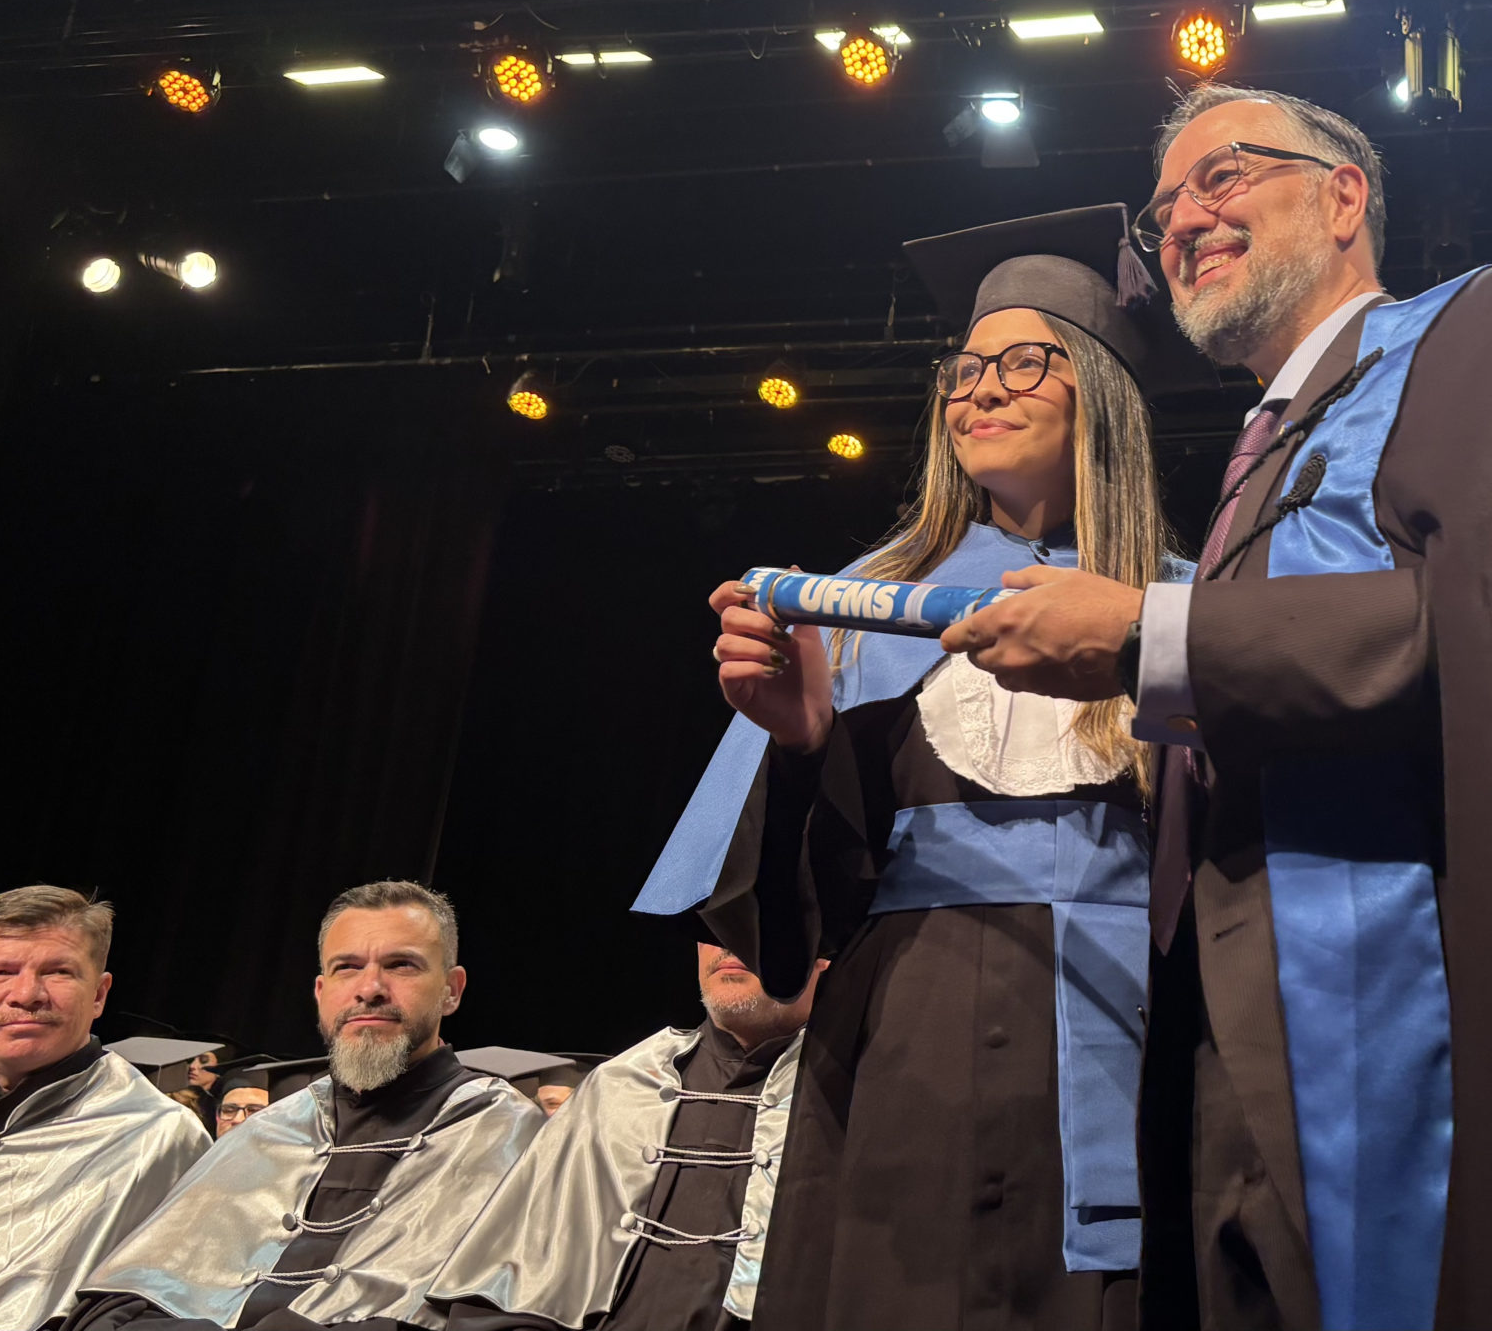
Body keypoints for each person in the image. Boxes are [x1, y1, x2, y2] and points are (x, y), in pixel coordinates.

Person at [935, 81, 1492, 1329]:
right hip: (1231, 1050)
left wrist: (1149, 635)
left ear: (1343, 198)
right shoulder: (1255, 460)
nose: (1182, 221)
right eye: (1163, 208)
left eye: (1222, 176)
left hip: (1413, 1030)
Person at [632, 203, 1203, 1331]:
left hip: (1123, 1034)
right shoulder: (858, 608)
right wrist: (801, 746)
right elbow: (785, 937)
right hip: (905, 1044)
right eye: (964, 371)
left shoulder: (1182, 613)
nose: (980, 391)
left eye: (1023, 363)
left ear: (1101, 392)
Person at [70, 880, 542, 1330]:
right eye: (347, 967)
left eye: (401, 965)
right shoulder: (268, 1130)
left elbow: (504, 1311)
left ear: (451, 990)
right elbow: (121, 1301)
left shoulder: (508, 1135)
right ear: (321, 993)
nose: (370, 988)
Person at [430, 944, 829, 1330]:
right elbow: (509, 1287)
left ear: (823, 954)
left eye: (762, 918)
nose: (728, 941)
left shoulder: (849, 1103)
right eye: (713, 924)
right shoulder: (621, 1085)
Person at [0, 886, 208, 1331]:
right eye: (1, 972)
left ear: (99, 994)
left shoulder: (161, 1137)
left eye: (58, 972)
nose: (26, 994)